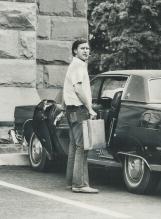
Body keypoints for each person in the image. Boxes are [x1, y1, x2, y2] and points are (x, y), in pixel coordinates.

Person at [63, 39, 98, 193]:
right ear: (75, 51)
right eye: (82, 48)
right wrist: (90, 108)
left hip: (71, 111)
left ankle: (71, 182)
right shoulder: (78, 65)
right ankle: (80, 184)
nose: (86, 51)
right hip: (79, 110)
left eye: (87, 48)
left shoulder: (75, 64)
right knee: (82, 147)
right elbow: (78, 89)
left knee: (74, 147)